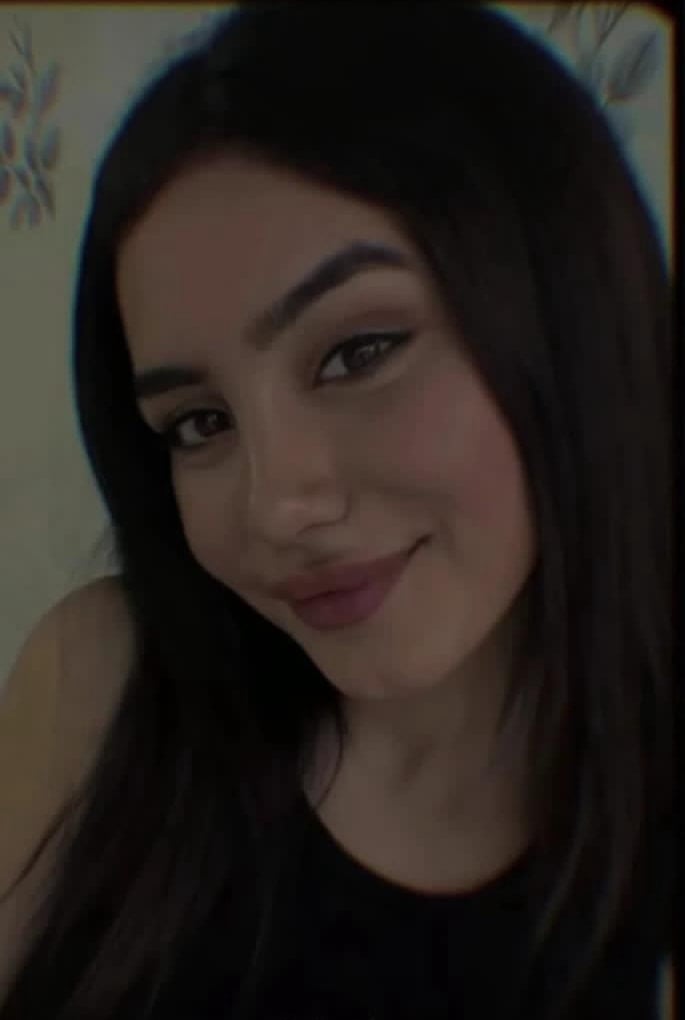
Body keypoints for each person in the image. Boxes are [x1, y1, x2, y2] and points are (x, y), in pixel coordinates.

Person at [0, 3, 672, 1018]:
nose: (276, 506)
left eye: (359, 353)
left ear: (565, 314)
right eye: (198, 423)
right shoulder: (100, 682)